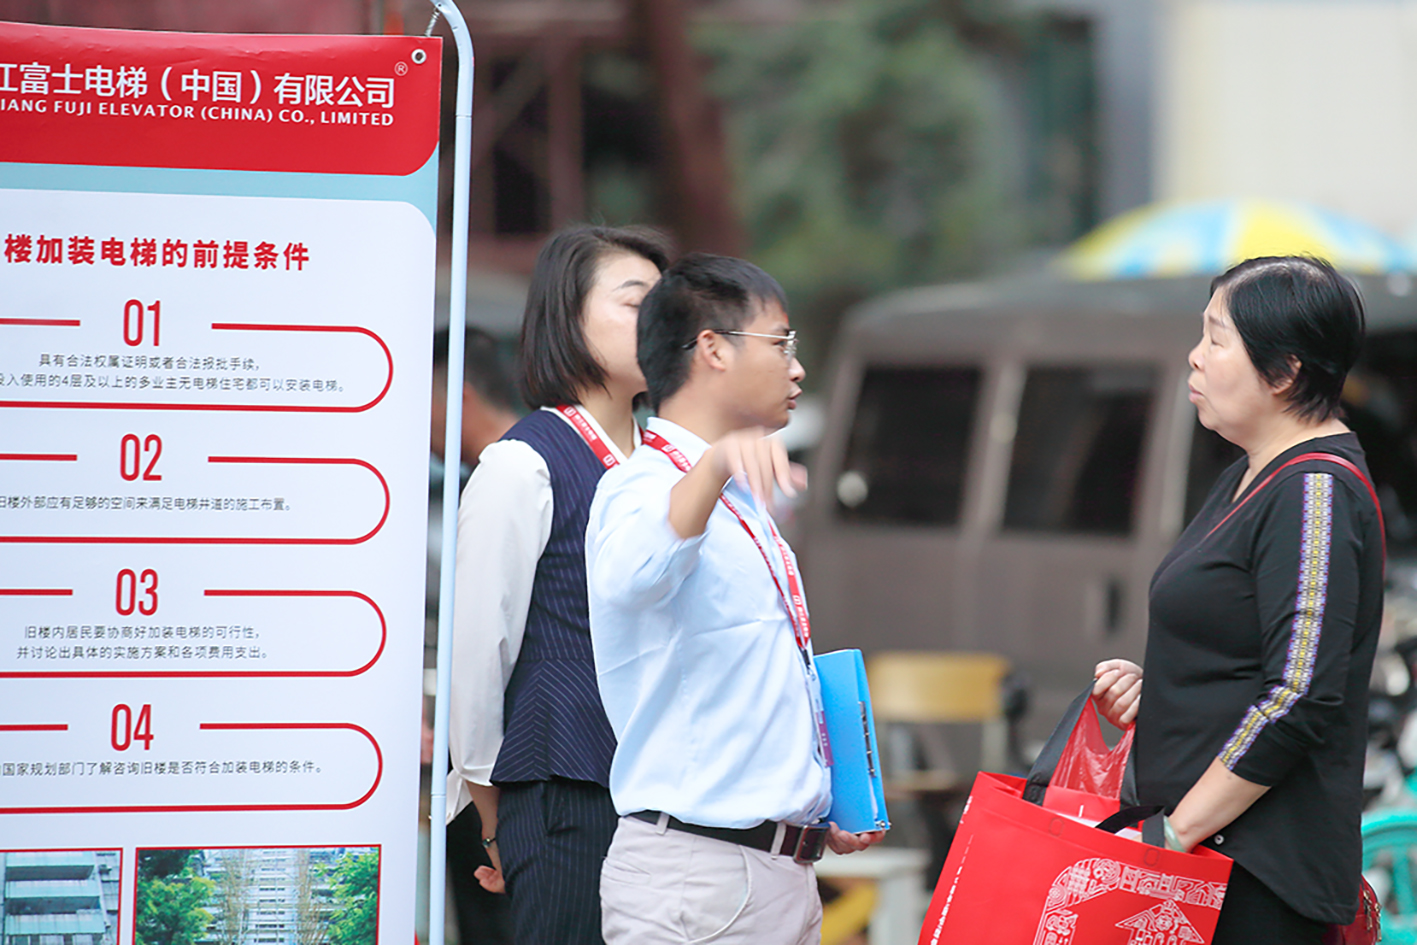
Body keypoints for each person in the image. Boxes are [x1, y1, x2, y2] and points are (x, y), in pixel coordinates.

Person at [585, 253, 884, 945]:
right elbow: (634, 572)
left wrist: (816, 797)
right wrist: (716, 463)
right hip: (699, 875)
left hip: (773, 869)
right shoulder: (639, 485)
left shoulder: (740, 497)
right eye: (780, 343)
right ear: (713, 348)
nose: (796, 368)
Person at [1094, 256, 1382, 943]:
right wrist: (1163, 690)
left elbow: (1299, 694)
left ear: (1283, 372)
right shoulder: (1249, 475)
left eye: (1216, 339)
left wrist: (1176, 831)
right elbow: (1243, 657)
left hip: (1253, 878)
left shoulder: (1314, 490)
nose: (1194, 357)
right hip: (1204, 870)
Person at [447, 224, 672, 945]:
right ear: (568, 319)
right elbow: (479, 652)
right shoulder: (522, 464)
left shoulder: (670, 464)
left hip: (668, 796)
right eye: (635, 302)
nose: (660, 321)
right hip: (566, 795)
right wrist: (494, 819)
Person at [428, 325, 521, 945]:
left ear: (458, 395)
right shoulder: (485, 477)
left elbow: (487, 652)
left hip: (508, 770)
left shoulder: (511, 476)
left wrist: (489, 818)